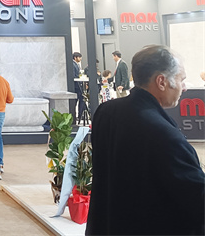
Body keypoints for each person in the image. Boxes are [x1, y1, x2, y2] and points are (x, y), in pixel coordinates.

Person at [86, 45, 205, 236]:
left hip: (109, 226)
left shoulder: (106, 112)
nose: (184, 87)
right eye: (181, 79)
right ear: (161, 81)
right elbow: (197, 199)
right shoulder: (163, 134)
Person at [72, 52, 86, 123]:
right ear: (75, 57)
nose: (80, 59)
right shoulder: (73, 64)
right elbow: (74, 75)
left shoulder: (77, 65)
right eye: (79, 57)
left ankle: (80, 115)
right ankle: (77, 116)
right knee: (76, 101)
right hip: (76, 86)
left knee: (81, 100)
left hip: (78, 85)